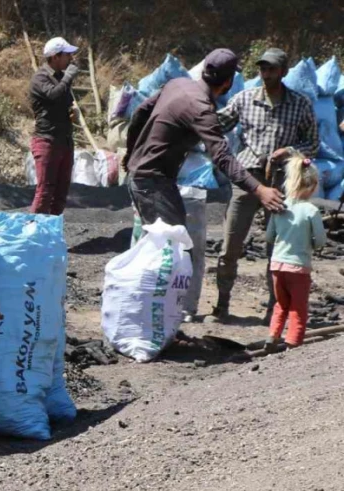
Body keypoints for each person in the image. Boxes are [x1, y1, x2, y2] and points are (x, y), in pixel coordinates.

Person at [210, 48, 319, 321]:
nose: (266, 74)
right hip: (248, 179)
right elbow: (216, 124)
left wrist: (289, 150)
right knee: (231, 244)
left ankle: (276, 308)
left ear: (283, 71)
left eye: (271, 69)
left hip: (283, 181)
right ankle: (221, 306)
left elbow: (313, 144)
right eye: (262, 69)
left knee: (279, 249)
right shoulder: (244, 99)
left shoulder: (299, 104)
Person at [124, 48, 285, 228]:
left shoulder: (177, 84)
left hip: (144, 177)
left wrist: (131, 154)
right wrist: (260, 189)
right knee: (172, 245)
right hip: (152, 183)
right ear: (229, 81)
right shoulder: (201, 109)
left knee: (162, 244)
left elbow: (140, 112)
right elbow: (223, 157)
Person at [265, 157, 327, 349]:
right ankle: (293, 343)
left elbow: (269, 236)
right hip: (299, 267)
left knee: (281, 304)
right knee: (298, 307)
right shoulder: (311, 210)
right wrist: (312, 246)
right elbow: (321, 240)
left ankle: (272, 336)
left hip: (276, 265)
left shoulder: (279, 206)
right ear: (313, 185)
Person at [28, 36, 80, 215]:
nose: (70, 59)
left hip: (64, 140)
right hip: (47, 141)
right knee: (45, 192)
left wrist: (74, 110)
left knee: (61, 192)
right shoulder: (40, 78)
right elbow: (53, 95)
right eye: (67, 55)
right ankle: (34, 236)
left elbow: (65, 100)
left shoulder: (60, 77)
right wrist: (68, 77)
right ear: (56, 56)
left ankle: (51, 235)